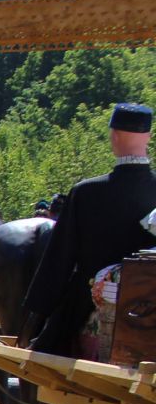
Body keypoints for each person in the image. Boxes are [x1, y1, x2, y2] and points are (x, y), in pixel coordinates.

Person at [25, 103, 156, 353]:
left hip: (89, 301)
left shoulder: (86, 193)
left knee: (44, 348)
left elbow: (59, 259)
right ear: (148, 137)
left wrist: (38, 310)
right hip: (151, 305)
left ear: (114, 136)